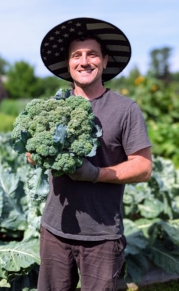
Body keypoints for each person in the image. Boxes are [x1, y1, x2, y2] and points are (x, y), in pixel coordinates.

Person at [27, 17, 152, 291]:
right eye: (76, 55)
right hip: (55, 229)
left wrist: (95, 174)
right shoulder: (51, 107)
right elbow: (32, 151)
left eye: (92, 54)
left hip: (102, 235)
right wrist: (35, 154)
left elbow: (143, 167)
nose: (84, 61)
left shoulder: (125, 109)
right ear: (69, 64)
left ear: (105, 61)